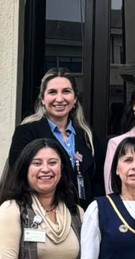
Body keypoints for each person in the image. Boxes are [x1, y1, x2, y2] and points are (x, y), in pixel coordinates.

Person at [9, 68, 104, 209]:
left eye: (66, 91)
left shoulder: (87, 136)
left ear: (75, 99)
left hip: (82, 216)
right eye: (52, 92)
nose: (59, 99)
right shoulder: (26, 133)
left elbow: (97, 181)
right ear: (42, 99)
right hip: (42, 213)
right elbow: (20, 177)